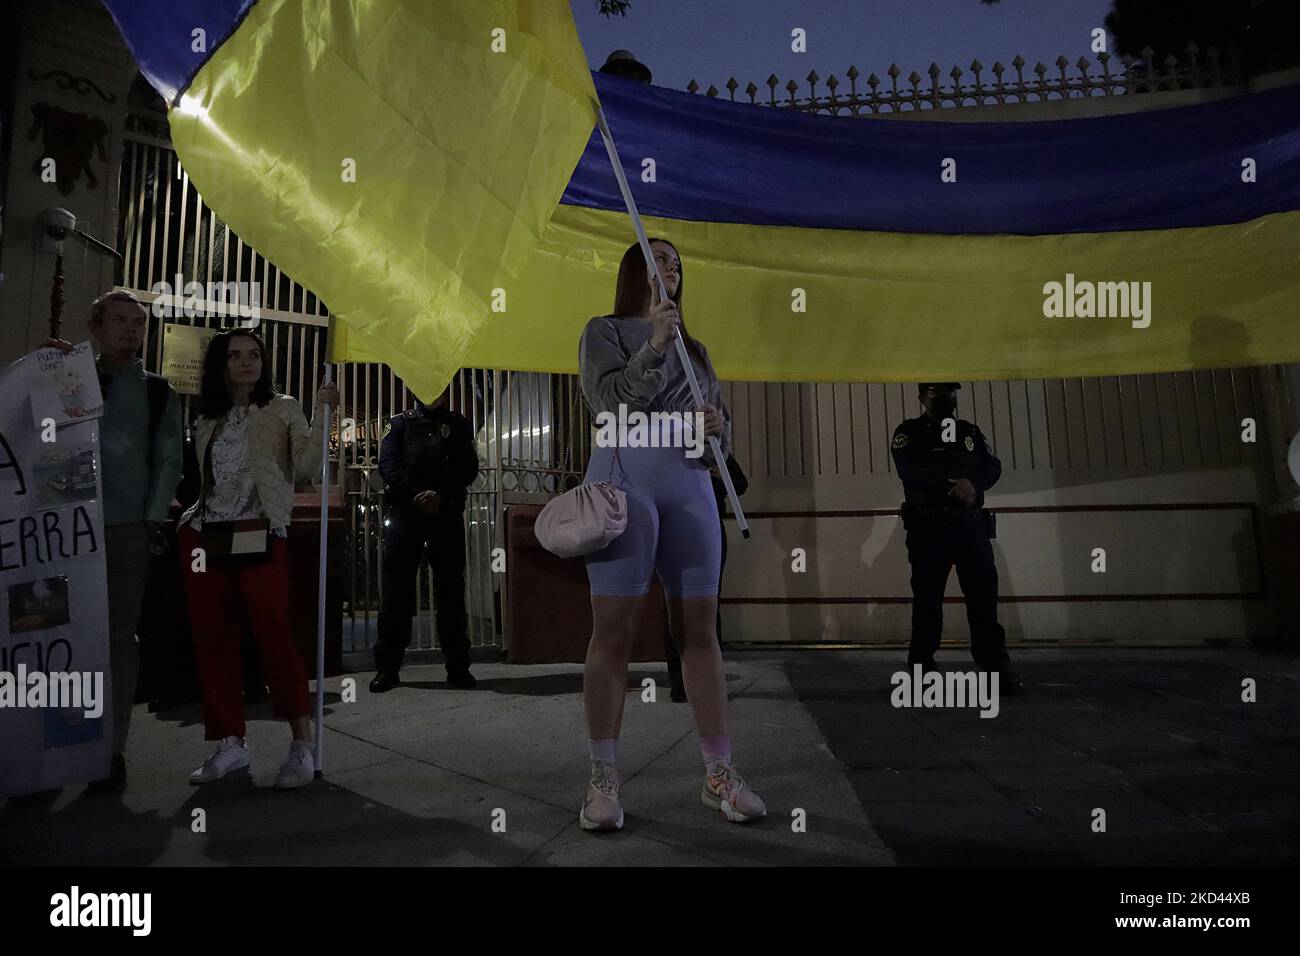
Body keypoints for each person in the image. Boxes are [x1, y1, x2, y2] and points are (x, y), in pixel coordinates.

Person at [576, 238, 766, 830]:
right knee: (615, 632)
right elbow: (607, 404)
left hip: (689, 487)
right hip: (624, 483)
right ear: (635, 271)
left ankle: (719, 772)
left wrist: (714, 430)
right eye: (659, 260)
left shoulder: (699, 349)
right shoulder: (603, 331)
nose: (672, 268)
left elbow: (720, 436)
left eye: (677, 263)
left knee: (700, 631)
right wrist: (655, 342)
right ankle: (603, 780)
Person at [178, 328, 339, 788]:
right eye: (235, 355)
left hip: (262, 533)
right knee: (213, 639)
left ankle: (301, 745)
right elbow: (203, 481)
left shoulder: (283, 407)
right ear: (220, 363)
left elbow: (306, 470)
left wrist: (325, 412)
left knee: (274, 635)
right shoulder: (206, 416)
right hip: (206, 535)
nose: (246, 362)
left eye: (254, 354)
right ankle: (229, 743)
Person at [45, 291, 183, 792]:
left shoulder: (157, 391)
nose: (131, 329)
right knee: (58, 636)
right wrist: (42, 366)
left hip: (127, 528)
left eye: (139, 322)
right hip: (66, 526)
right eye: (120, 320)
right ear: (96, 326)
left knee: (119, 637)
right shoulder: (64, 377)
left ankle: (111, 748)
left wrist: (150, 520)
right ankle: (54, 746)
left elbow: (170, 459)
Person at [890, 383, 1024, 693]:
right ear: (922, 397)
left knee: (983, 603)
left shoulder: (970, 432)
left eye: (951, 393)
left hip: (970, 529)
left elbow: (992, 466)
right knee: (928, 603)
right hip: (929, 530)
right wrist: (956, 489)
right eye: (937, 393)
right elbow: (910, 472)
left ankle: (996, 671)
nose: (945, 399)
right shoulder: (908, 433)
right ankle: (923, 675)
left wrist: (973, 485)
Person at [369, 382, 480, 692]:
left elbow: (469, 468)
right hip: (406, 515)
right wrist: (416, 494)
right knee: (396, 592)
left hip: (446, 514)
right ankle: (387, 669)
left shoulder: (458, 425)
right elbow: (388, 465)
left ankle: (458, 668)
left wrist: (441, 495)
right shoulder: (399, 423)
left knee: (451, 593)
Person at [663, 453, 748, 703]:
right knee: (674, 603)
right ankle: (679, 682)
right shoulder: (667, 451)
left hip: (710, 527)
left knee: (709, 605)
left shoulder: (714, 450)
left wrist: (719, 474)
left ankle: (710, 680)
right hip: (675, 527)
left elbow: (740, 485)